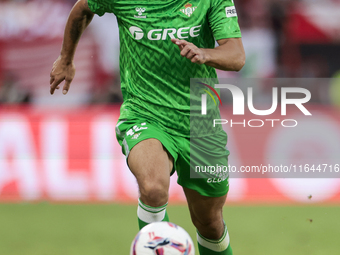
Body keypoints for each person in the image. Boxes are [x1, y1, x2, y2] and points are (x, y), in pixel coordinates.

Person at [49, 0, 245, 254]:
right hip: (144, 112)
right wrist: (66, 58)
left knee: (210, 223)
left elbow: (236, 55)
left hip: (200, 122)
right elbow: (83, 8)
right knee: (153, 188)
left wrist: (206, 53)